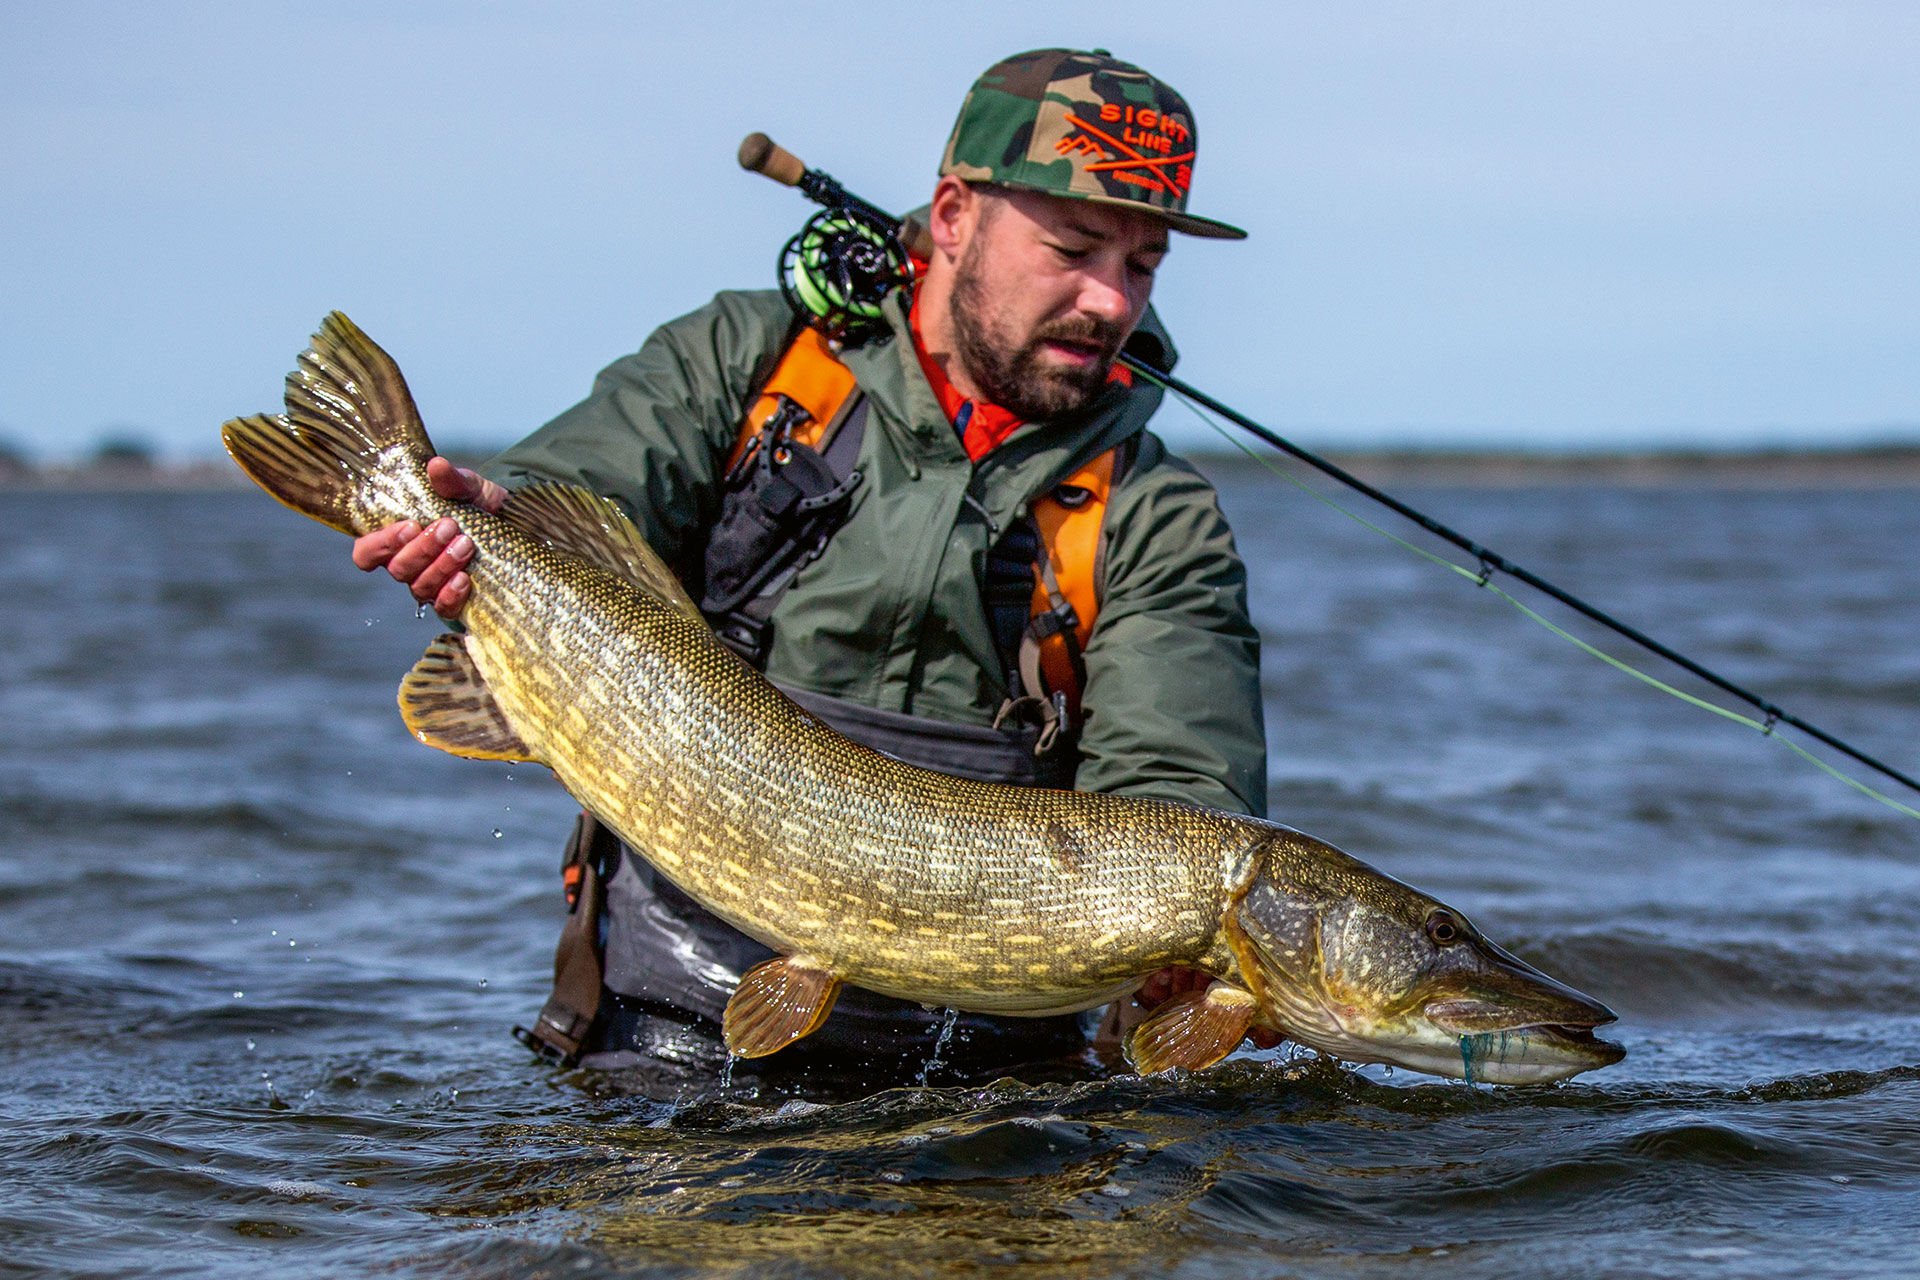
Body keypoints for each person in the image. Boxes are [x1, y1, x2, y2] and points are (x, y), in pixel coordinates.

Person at [351, 48, 1270, 1095]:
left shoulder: (1157, 513)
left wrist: (1190, 965)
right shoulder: (747, 363)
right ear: (955, 215)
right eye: (1073, 247)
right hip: (665, 1047)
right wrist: (477, 522)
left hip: (993, 1103)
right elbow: (573, 496)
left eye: (1142, 264)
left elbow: (1179, 795)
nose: (1110, 301)